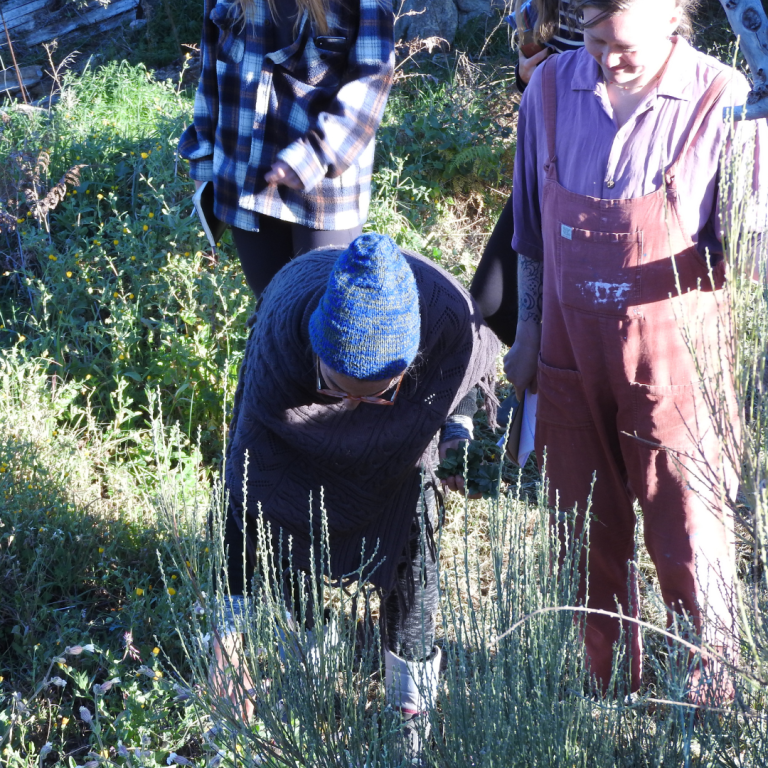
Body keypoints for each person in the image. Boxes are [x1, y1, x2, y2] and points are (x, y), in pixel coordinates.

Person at [504, 0, 766, 700]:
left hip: (678, 367)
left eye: (623, 48)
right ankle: (605, 686)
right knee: (583, 525)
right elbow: (528, 233)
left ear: (673, 16)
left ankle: (713, 695)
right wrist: (528, 333)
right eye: (593, 43)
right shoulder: (552, 92)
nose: (606, 61)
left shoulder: (724, 99)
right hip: (567, 354)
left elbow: (753, 256)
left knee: (689, 531)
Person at [215, 233, 499, 759]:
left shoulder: (446, 323)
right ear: (317, 353)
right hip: (298, 396)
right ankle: (307, 657)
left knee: (414, 531)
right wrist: (228, 639)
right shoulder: (280, 338)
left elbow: (465, 378)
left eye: (373, 394)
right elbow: (245, 492)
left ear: (408, 368)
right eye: (338, 388)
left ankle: (410, 708)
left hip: (402, 425)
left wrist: (455, 436)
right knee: (283, 504)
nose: (350, 405)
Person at [178, 0, 395, 297]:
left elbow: (372, 78)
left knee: (325, 314)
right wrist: (202, 159)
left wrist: (316, 152)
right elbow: (210, 72)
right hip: (244, 183)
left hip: (326, 193)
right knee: (270, 312)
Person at [470, 0, 583, 348]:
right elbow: (529, 87)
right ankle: (533, 379)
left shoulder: (617, 13)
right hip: (542, 167)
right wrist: (524, 75)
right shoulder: (541, 7)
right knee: (489, 302)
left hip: (587, 180)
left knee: (573, 313)